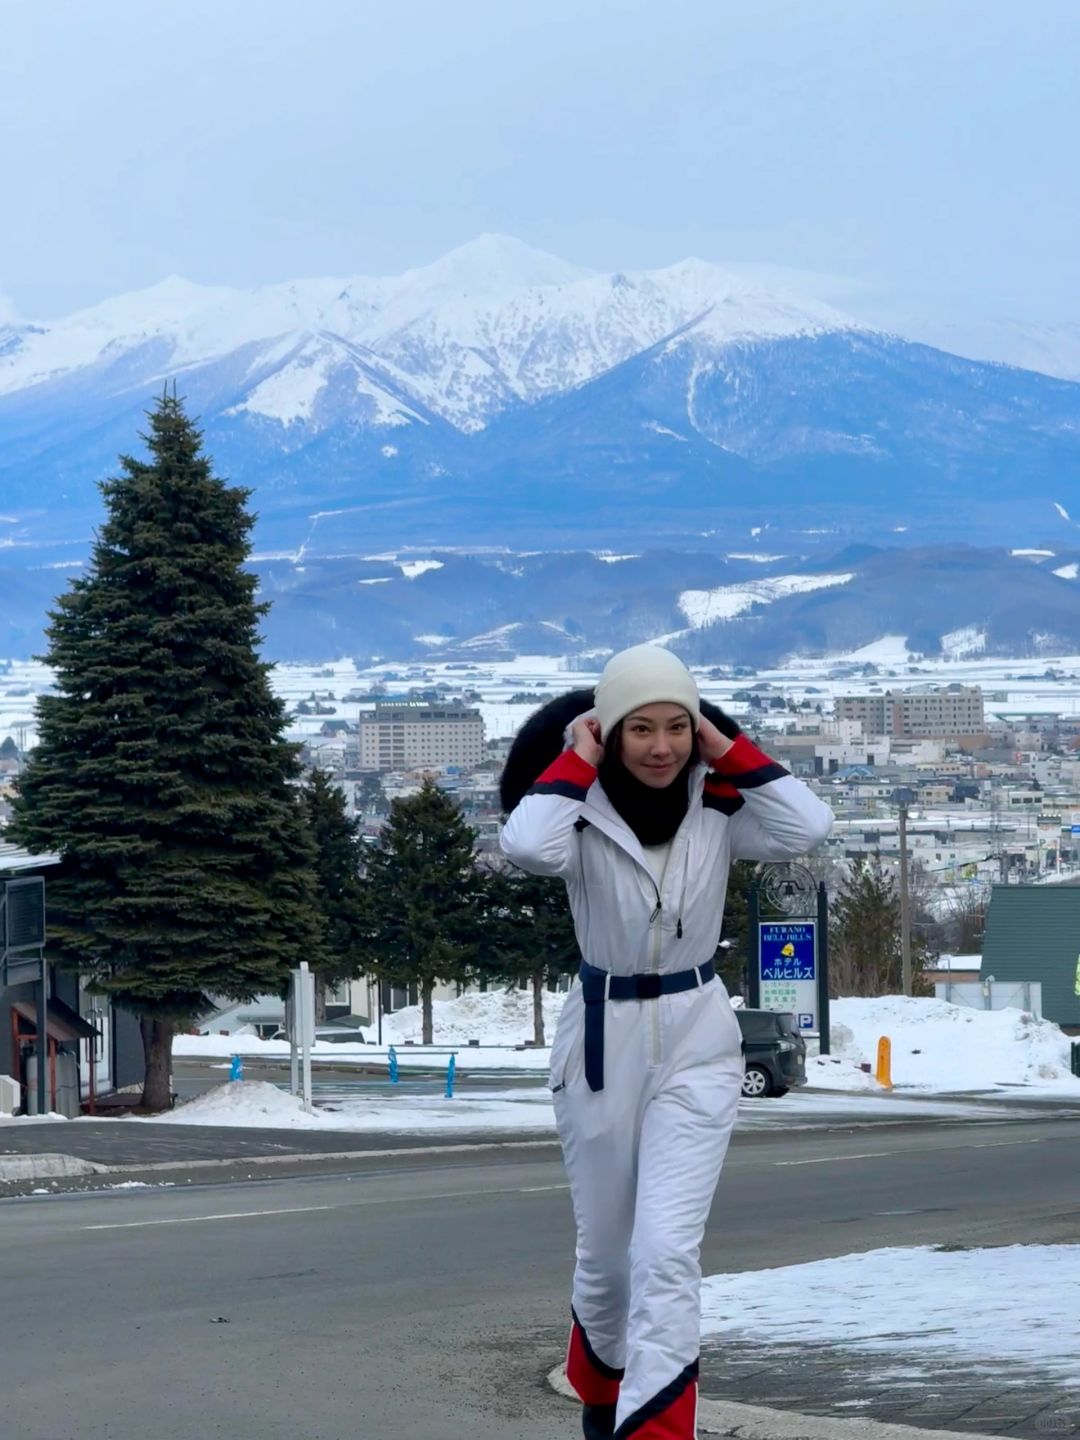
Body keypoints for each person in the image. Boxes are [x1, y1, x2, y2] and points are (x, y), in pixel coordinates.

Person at [499, 644, 833, 1440]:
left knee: (665, 1254)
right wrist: (577, 756)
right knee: (610, 1257)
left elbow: (808, 825)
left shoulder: (719, 805)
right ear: (610, 733)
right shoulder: (577, 811)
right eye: (639, 728)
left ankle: (653, 1431)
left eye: (677, 726)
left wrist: (726, 745)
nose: (660, 746)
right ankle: (601, 1398)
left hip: (698, 1036)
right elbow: (526, 847)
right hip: (602, 1042)